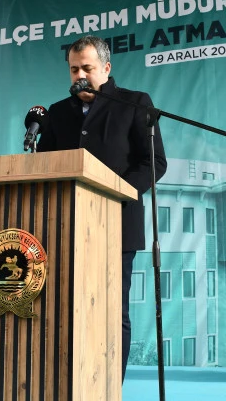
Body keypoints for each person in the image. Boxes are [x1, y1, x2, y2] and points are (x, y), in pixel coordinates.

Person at [37, 35, 167, 381]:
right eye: (73, 69)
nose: (80, 75)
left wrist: (112, 194)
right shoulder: (57, 112)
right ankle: (67, 384)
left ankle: (108, 387)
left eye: (87, 68)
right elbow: (43, 165)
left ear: (106, 68)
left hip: (116, 225)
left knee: (112, 312)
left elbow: (153, 162)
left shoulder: (135, 103)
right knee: (63, 310)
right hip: (65, 226)